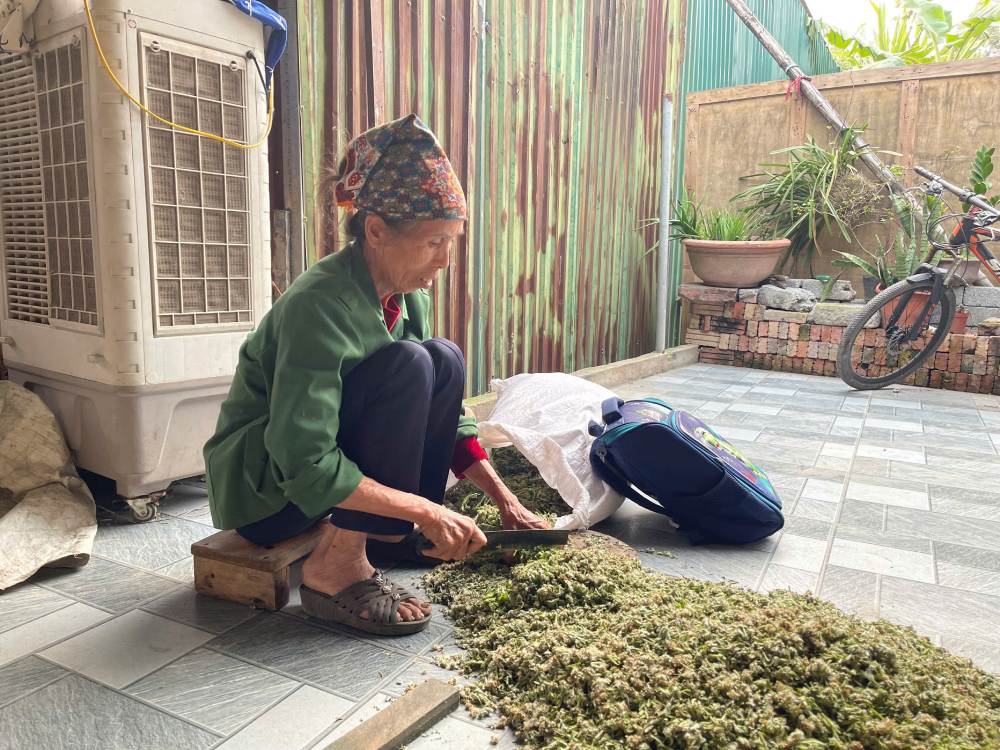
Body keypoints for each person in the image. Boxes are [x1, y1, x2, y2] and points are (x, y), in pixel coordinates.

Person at [203, 114, 548, 636]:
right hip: (270, 493)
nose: (445, 260)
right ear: (376, 230)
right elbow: (303, 461)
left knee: (442, 357)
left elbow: (449, 421)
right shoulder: (318, 306)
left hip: (318, 476)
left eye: (452, 240)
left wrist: (506, 501)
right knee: (408, 364)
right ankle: (333, 567)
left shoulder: (407, 297)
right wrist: (427, 512)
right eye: (434, 242)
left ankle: (389, 536)